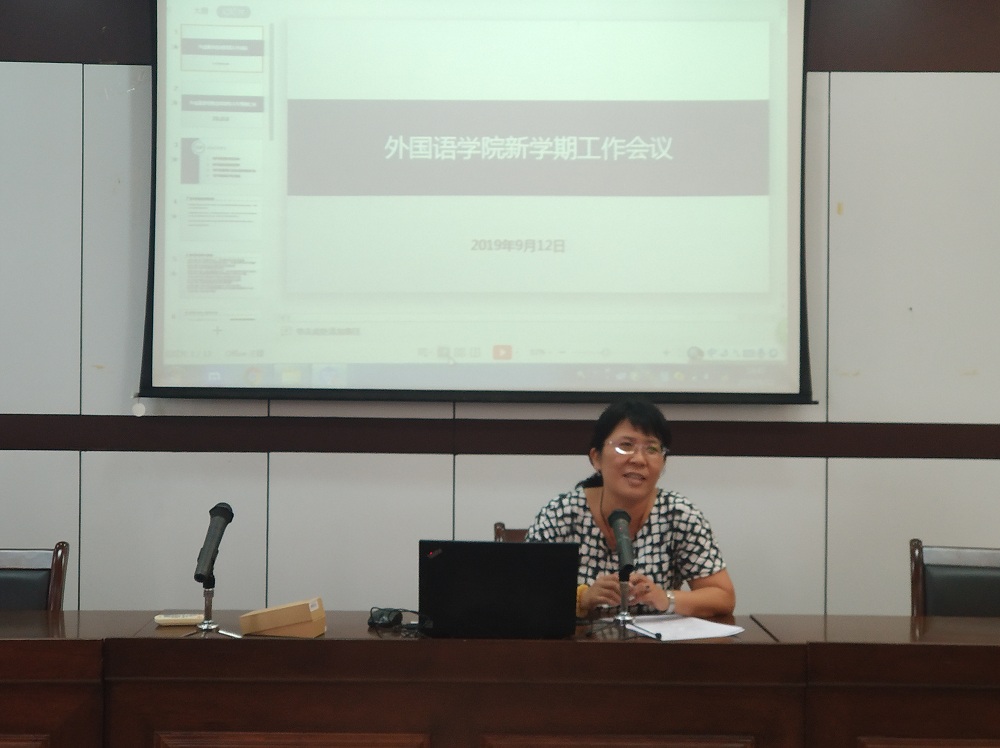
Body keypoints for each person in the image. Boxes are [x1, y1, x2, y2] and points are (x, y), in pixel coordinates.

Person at [525, 399, 736, 619]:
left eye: (652, 449)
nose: (639, 459)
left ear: (663, 462)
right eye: (625, 446)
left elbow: (723, 597)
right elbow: (525, 593)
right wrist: (581, 599)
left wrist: (665, 598)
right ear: (596, 458)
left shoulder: (678, 514)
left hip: (651, 641)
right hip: (577, 639)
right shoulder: (561, 513)